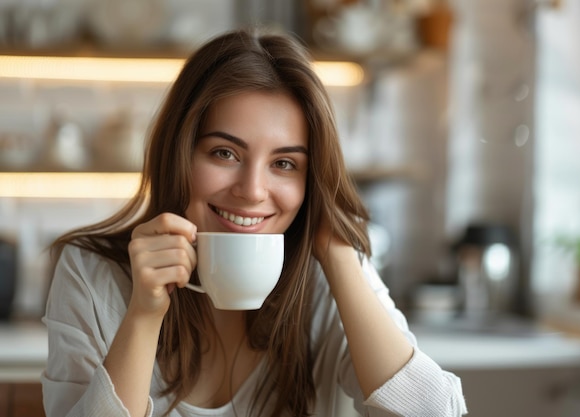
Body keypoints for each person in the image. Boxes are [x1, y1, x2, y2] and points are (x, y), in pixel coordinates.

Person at [42, 28, 467, 417]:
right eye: (225, 153)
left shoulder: (326, 274)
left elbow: (436, 412)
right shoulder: (91, 274)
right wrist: (143, 314)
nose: (253, 190)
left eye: (284, 163)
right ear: (180, 155)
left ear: (310, 180)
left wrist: (339, 257)